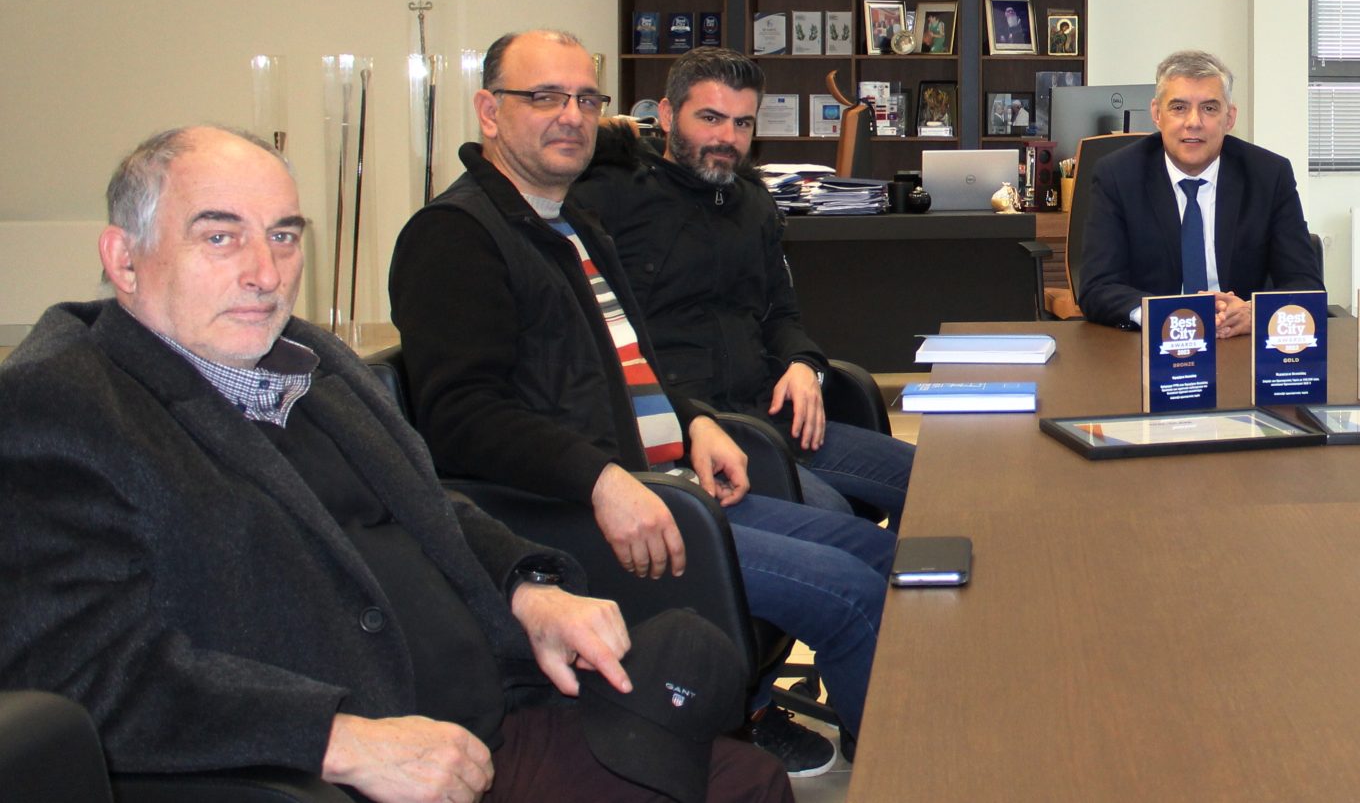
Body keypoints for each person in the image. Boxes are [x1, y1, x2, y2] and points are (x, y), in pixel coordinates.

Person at [0, 126, 786, 803]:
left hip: (487, 708)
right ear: (124, 258)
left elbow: (429, 505)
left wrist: (528, 589)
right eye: (219, 237)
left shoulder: (309, 357)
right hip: (342, 770)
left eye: (283, 235)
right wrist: (336, 739)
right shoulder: (64, 405)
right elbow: (79, 675)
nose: (265, 273)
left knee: (741, 767)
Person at [390, 30, 887, 775]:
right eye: (545, 97)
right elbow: (459, 419)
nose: (571, 116)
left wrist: (696, 420)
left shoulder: (572, 225)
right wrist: (601, 480)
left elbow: (631, 373)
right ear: (490, 112)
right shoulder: (456, 237)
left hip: (668, 485)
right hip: (584, 517)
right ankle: (908, 768)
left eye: (585, 99)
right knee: (850, 593)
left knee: (881, 556)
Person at [573, 47, 913, 523]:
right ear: (667, 115)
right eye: (710, 118)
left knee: (937, 479)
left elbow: (781, 315)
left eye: (742, 123)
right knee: (836, 518)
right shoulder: (611, 197)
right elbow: (594, 346)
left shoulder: (753, 204)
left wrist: (803, 364)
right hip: (684, 428)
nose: (727, 138)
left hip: (768, 416)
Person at [1075, 48, 1323, 336]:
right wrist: (1166, 316)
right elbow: (1098, 287)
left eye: (1209, 108)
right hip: (1154, 342)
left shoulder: (1269, 175)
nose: (1193, 122)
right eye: (1179, 107)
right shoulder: (1117, 176)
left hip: (1238, 341)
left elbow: (1305, 284)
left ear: (1229, 118)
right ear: (1157, 114)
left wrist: (1256, 314)